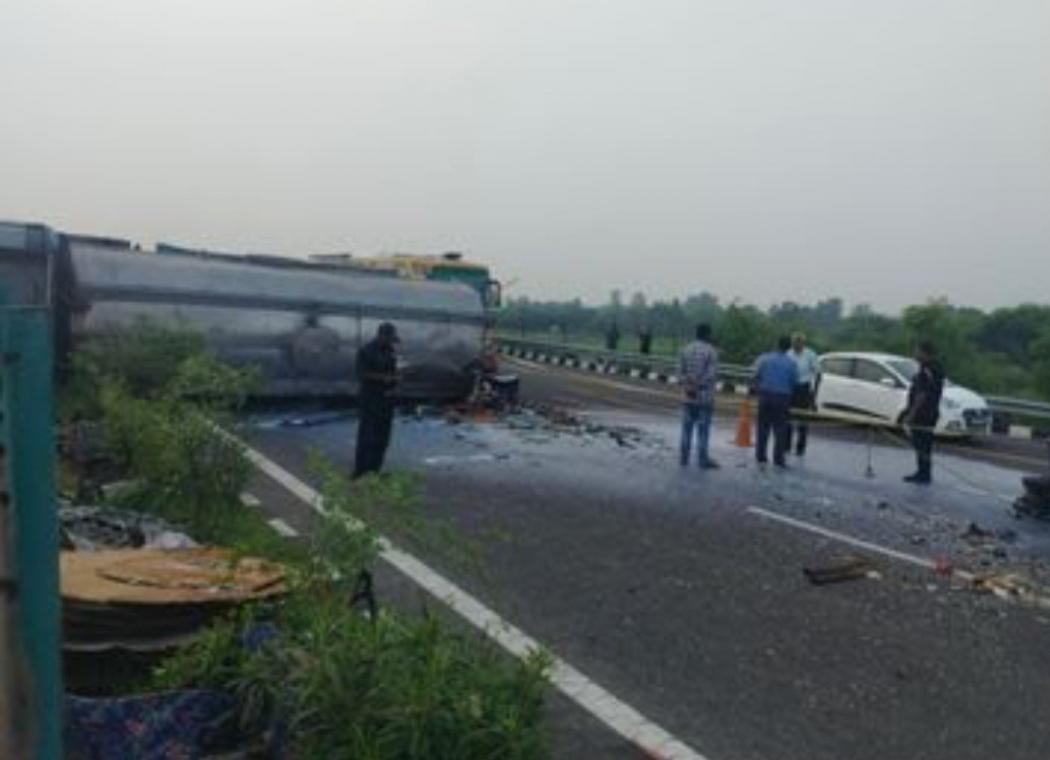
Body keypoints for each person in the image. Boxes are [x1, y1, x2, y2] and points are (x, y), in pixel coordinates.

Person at [353, 322, 400, 479]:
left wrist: (396, 379)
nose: (391, 342)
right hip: (370, 399)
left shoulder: (391, 352)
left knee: (383, 437)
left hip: (386, 399)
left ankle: (375, 469)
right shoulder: (366, 351)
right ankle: (360, 470)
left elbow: (392, 372)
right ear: (381, 336)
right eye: (389, 338)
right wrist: (382, 378)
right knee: (367, 435)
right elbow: (361, 374)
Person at [902, 340, 944, 485]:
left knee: (922, 444)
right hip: (930, 412)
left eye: (917, 351)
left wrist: (911, 414)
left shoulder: (927, 370)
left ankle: (924, 474)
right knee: (923, 444)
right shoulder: (934, 368)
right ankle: (923, 472)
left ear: (924, 353)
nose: (914, 354)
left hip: (924, 414)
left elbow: (922, 395)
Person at [752, 336, 798, 468]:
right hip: (782, 397)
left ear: (777, 344)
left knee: (763, 426)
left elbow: (756, 376)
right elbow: (793, 382)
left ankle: (761, 456)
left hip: (765, 395)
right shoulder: (791, 363)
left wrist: (759, 390)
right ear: (789, 347)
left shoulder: (764, 359)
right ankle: (778, 458)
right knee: (780, 428)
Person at [678, 323, 719, 469]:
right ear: (707, 334)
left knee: (686, 429)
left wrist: (689, 384)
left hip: (688, 396)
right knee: (703, 431)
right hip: (704, 397)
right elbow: (711, 375)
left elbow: (679, 373)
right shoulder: (711, 351)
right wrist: (698, 385)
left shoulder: (686, 349)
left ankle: (684, 458)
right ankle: (702, 460)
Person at [785, 332, 819, 456]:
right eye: (794, 342)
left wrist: (814, 395)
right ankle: (786, 445)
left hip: (804, 388)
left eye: (799, 342)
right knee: (788, 417)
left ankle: (800, 447)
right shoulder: (788, 353)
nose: (796, 345)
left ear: (803, 343)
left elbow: (818, 373)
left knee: (803, 420)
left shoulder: (810, 354)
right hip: (790, 387)